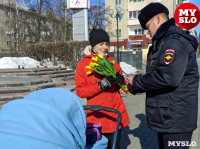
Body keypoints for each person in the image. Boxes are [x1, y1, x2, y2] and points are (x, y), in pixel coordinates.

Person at [127, 2, 199, 149]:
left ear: (158, 19)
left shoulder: (174, 42)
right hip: (167, 118)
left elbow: (168, 78)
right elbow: (156, 78)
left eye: (147, 27)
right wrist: (135, 87)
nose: (147, 32)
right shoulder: (163, 42)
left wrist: (137, 81)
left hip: (176, 122)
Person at [75, 28, 130, 149]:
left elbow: (125, 89)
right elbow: (80, 91)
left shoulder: (112, 61)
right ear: (93, 45)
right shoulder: (82, 65)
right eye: (101, 44)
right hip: (97, 117)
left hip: (115, 114)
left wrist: (122, 81)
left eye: (106, 44)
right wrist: (100, 86)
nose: (105, 47)